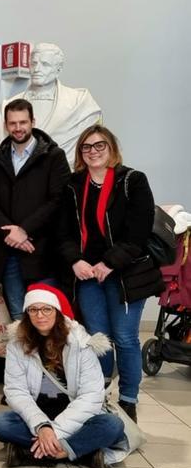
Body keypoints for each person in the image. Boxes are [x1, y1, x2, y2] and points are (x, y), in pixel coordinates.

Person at [57, 125, 164, 422]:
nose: (93, 152)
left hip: (126, 273)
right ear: (80, 153)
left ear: (111, 147)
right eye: (86, 147)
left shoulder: (133, 181)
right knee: (98, 338)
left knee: (125, 337)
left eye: (99, 145)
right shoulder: (73, 185)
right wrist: (75, 261)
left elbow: (138, 233)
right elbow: (62, 233)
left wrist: (110, 263)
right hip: (88, 274)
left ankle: (128, 400)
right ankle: (99, 394)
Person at [0, 284, 126, 468]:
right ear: (27, 314)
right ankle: (77, 452)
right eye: (33, 310)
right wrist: (42, 426)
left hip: (75, 414)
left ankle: (34, 452)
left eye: (47, 309)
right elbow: (16, 391)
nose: (40, 315)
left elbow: (91, 396)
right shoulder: (17, 344)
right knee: (0, 423)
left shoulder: (81, 344)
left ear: (57, 312)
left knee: (112, 425)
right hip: (38, 413)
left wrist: (54, 431)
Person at [0, 99, 70, 320]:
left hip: (43, 251)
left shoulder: (54, 156)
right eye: (13, 123)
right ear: (6, 125)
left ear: (33, 122)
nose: (18, 128)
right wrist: (11, 232)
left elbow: (59, 200)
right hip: (8, 252)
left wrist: (24, 230)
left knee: (47, 317)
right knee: (18, 316)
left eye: (23, 122)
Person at [0, 43, 102, 164]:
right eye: (34, 63)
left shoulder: (80, 102)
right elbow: (1, 144)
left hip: (67, 172)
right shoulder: (6, 106)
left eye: (45, 64)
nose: (37, 69)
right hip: (18, 173)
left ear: (58, 69)